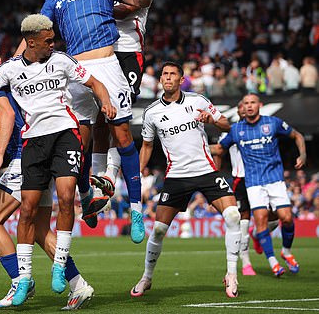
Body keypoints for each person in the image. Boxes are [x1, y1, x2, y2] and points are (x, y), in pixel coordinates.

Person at [0, 14, 115, 307]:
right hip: (33, 148)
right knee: (40, 229)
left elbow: (8, 114)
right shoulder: (11, 71)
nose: (52, 43)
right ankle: (77, 284)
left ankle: (20, 280)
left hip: (28, 155)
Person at [24, 0, 151, 242]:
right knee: (76, 143)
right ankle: (87, 197)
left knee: (123, 136)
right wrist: (18, 61)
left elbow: (140, 1)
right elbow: (35, 31)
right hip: (75, 71)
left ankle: (136, 210)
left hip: (107, 65)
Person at [131, 61, 241, 298]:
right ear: (161, 80)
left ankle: (231, 274)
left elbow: (227, 124)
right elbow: (147, 146)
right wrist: (137, 174)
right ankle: (146, 277)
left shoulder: (198, 100)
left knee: (233, 215)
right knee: (159, 230)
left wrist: (210, 120)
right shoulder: (152, 113)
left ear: (181, 80)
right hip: (177, 176)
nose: (168, 77)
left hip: (206, 171)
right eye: (165, 74)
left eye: (173, 74)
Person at [90, 0, 157, 237]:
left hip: (129, 55)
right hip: (101, 55)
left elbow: (137, 4)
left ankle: (113, 180)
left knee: (120, 121)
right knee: (98, 120)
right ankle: (96, 189)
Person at [214, 93, 306, 277]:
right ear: (242, 107)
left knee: (286, 218)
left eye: (252, 103)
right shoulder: (236, 130)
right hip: (253, 183)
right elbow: (219, 149)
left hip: (275, 180)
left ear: (260, 105)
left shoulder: (273, 123)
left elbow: (297, 135)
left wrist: (302, 154)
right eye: (246, 103)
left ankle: (286, 252)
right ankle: (272, 262)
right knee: (260, 220)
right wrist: (193, 146)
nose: (249, 106)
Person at [211, 100, 257, 276]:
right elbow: (218, 153)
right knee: (243, 219)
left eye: (248, 105)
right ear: (237, 112)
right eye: (241, 107)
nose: (244, 109)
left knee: (275, 217)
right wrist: (214, 176)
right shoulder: (231, 133)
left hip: (262, 178)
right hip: (241, 180)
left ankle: (259, 236)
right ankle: (246, 262)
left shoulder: (261, 128)